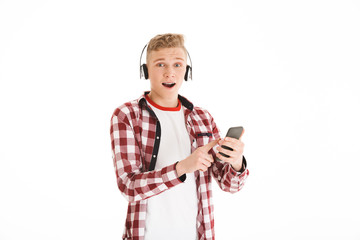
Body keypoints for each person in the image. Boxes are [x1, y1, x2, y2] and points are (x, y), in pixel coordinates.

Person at [110, 33, 249, 240]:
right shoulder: (127, 116)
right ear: (146, 70)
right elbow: (128, 187)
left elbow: (230, 185)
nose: (170, 73)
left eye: (177, 65)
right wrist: (182, 167)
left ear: (187, 70)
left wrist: (236, 162)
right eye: (160, 65)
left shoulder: (202, 117)